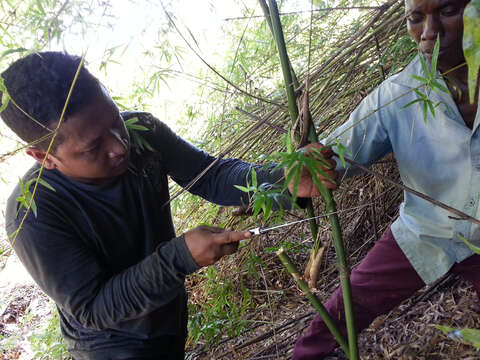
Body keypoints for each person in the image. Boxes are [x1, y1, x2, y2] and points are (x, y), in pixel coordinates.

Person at [0, 52, 334, 359]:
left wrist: (282, 178)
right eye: (92, 148)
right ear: (44, 157)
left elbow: (210, 175)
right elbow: (93, 307)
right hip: (112, 348)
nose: (120, 146)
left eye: (115, 120)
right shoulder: (31, 214)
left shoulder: (142, 132)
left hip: (167, 317)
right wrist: (179, 257)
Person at [293, 0, 480, 358]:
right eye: (416, 18)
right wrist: (309, 166)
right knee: (328, 328)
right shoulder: (396, 95)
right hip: (427, 230)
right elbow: (339, 153)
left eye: (448, 10)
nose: (429, 33)